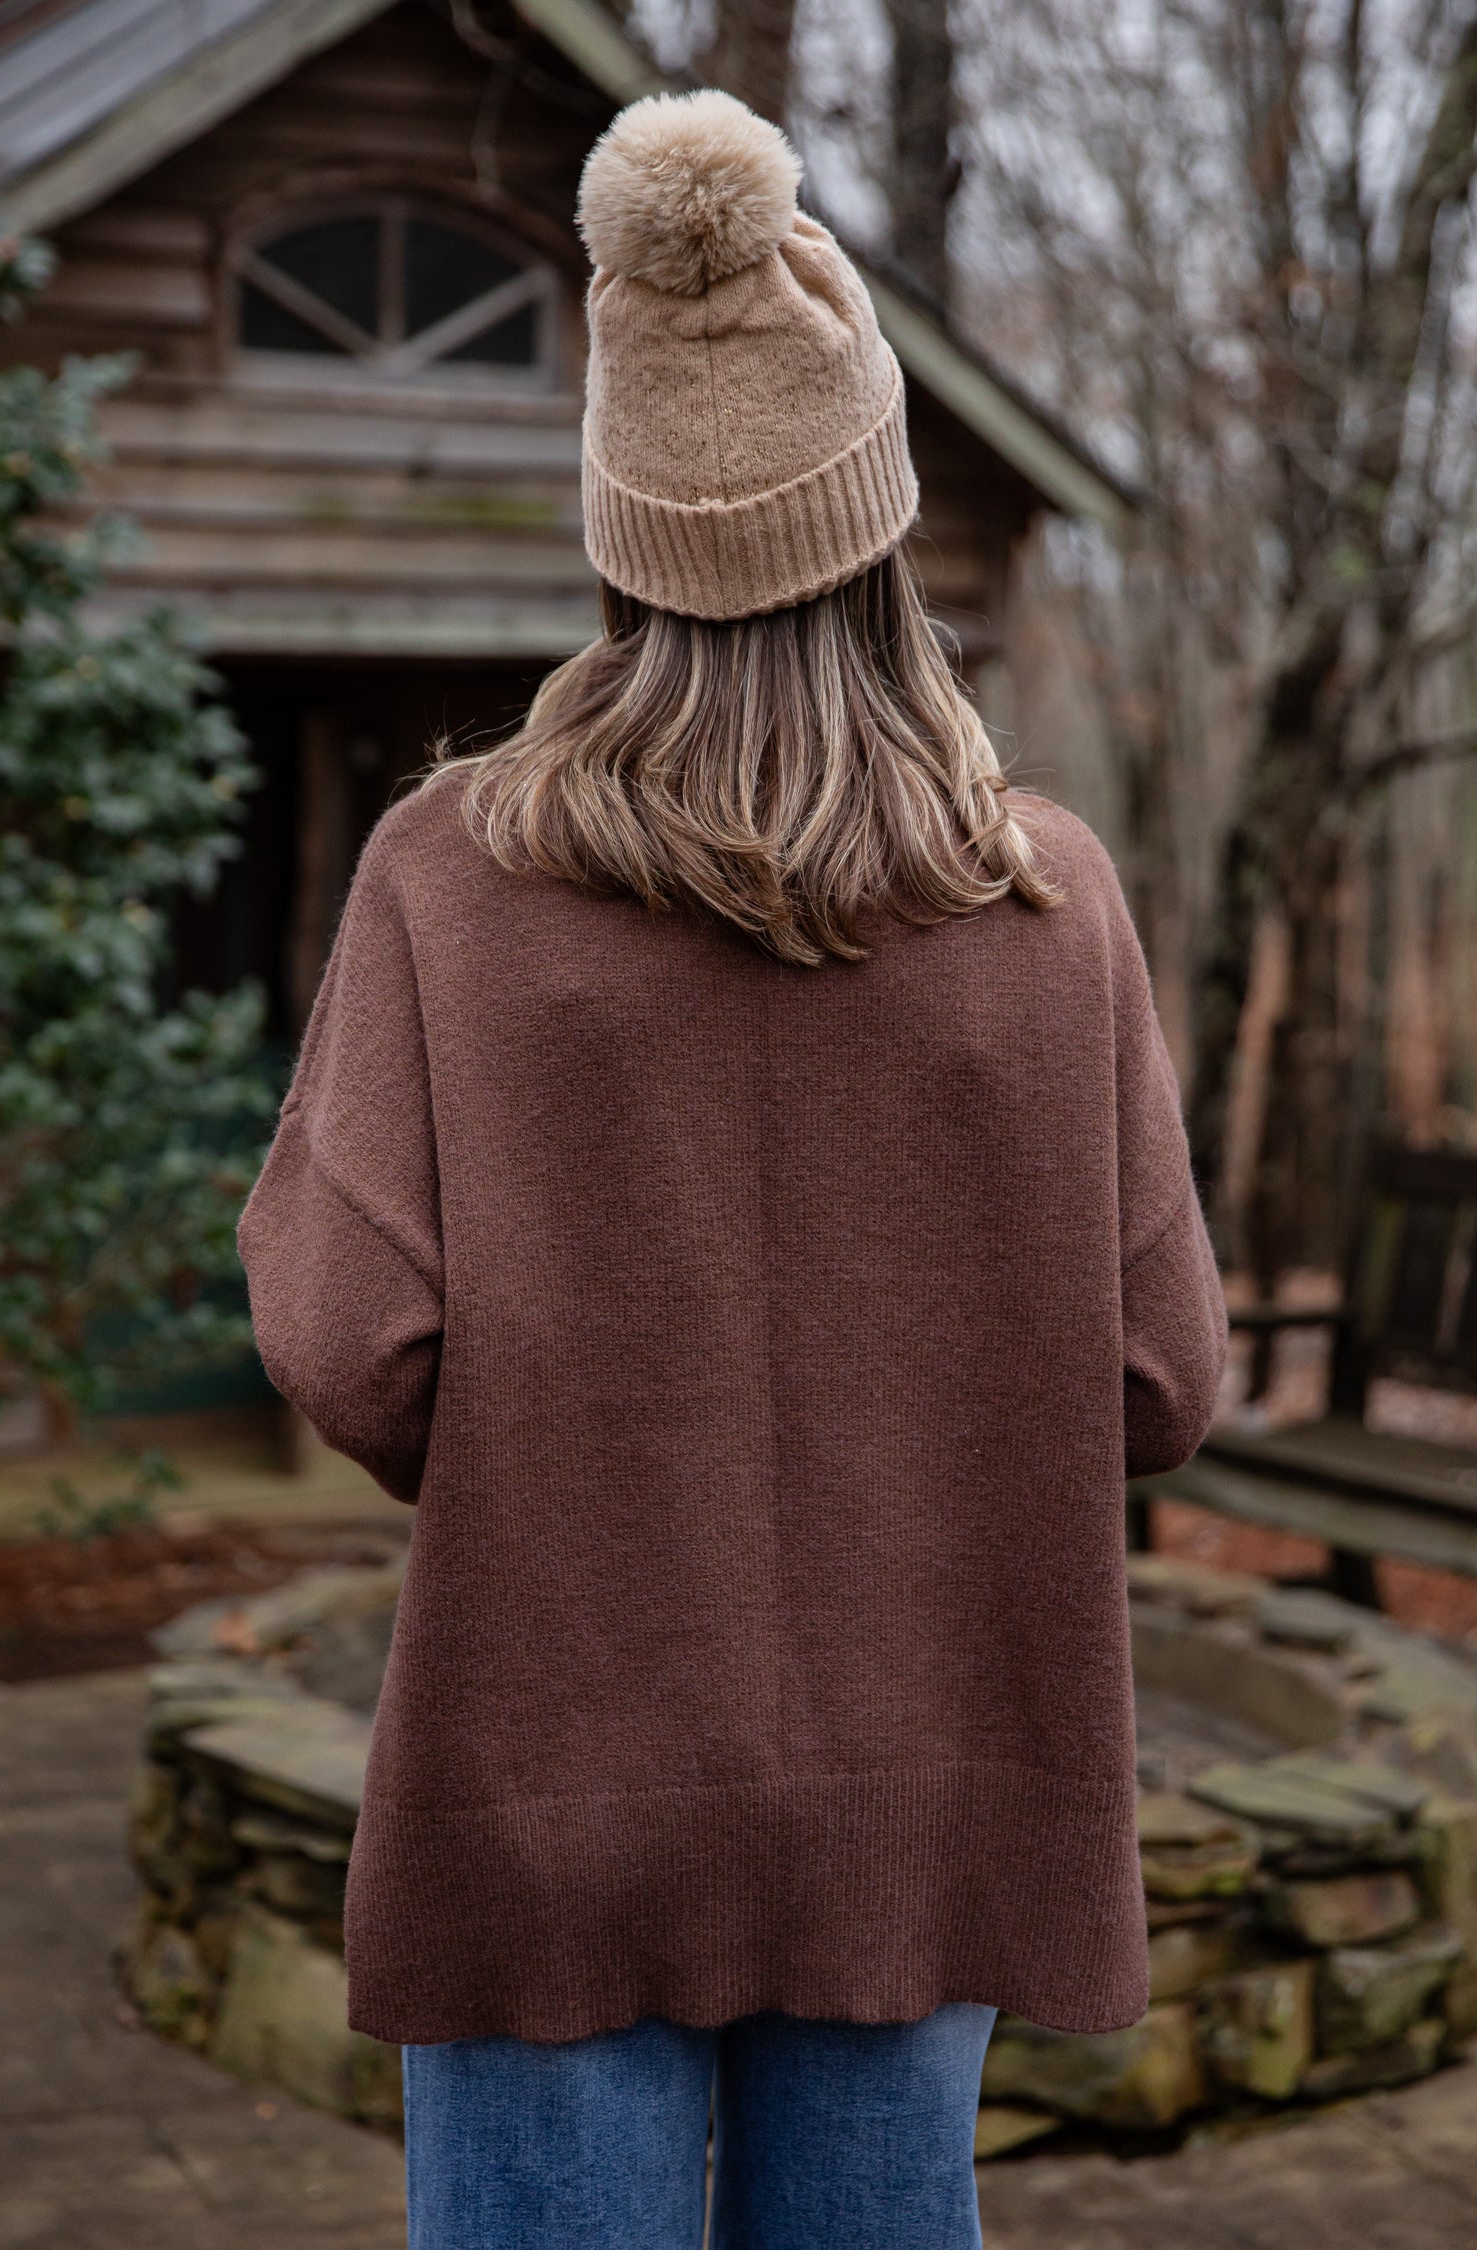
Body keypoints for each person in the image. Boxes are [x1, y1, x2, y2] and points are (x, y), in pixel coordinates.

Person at [238, 88, 1227, 2250]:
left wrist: (573, 1464)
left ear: (622, 530)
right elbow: (1160, 1379)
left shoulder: (451, 875)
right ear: (877, 525)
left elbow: (342, 1336)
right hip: (926, 1804)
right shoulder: (1047, 911)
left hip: (547, 1788)